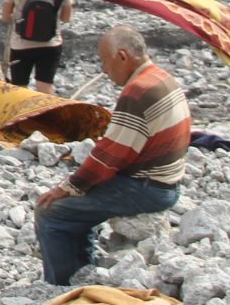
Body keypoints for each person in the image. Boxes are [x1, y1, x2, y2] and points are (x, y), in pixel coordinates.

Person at [34, 26, 189, 285]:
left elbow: (109, 157)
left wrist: (68, 187)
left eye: (105, 62)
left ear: (122, 56)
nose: (104, 70)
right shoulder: (162, 78)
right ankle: (82, 271)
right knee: (81, 199)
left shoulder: (138, 91)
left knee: (52, 211)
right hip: (166, 181)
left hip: (149, 188)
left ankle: (60, 285)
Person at [3, 0, 76, 95]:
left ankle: (22, 117)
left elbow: (5, 17)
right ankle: (48, 117)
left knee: (19, 89)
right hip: (51, 43)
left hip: (21, 44)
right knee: (45, 87)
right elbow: (66, 18)